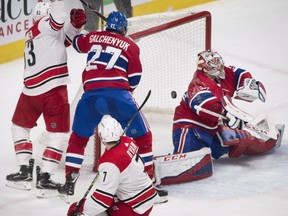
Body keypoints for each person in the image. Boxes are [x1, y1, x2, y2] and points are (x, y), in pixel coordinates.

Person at [58, 11, 167, 202]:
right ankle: (148, 185)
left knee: (78, 139)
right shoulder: (131, 45)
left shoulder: (92, 37)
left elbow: (74, 41)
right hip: (118, 95)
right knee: (143, 136)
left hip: (90, 96)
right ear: (123, 29)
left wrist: (76, 25)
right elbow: (134, 78)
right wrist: (124, 94)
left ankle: (69, 183)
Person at [5, 0, 86, 197]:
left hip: (30, 91)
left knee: (18, 126)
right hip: (52, 91)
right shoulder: (45, 25)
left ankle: (24, 170)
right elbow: (58, 20)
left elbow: (62, 38)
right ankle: (45, 177)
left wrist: (75, 26)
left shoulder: (34, 32)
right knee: (58, 135)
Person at [172, 50, 284, 163]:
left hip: (214, 126)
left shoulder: (225, 73)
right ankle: (175, 162)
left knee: (241, 139)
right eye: (213, 63)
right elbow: (204, 104)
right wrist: (227, 114)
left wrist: (249, 83)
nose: (219, 66)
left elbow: (239, 74)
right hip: (190, 126)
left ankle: (266, 142)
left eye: (219, 61)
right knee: (187, 158)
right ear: (205, 67)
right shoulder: (198, 82)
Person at [67, 115, 158, 216]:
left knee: (80, 209)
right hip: (147, 197)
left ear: (101, 136)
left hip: (136, 207)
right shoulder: (128, 141)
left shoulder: (110, 162)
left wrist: (84, 212)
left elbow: (102, 200)